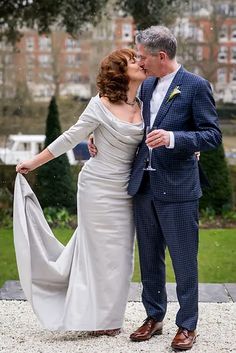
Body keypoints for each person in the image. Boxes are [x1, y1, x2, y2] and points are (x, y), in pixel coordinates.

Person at [89, 26, 222, 350]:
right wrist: (97, 139)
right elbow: (125, 121)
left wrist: (175, 138)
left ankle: (187, 325)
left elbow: (212, 135)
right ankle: (154, 316)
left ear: (161, 56)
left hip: (178, 190)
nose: (140, 62)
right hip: (143, 185)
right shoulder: (145, 86)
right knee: (149, 259)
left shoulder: (195, 86)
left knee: (183, 260)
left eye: (143, 57)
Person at [14, 48, 146, 335]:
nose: (140, 62)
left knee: (121, 256)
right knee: (97, 255)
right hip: (97, 188)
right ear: (121, 72)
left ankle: (111, 317)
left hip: (126, 190)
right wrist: (32, 163)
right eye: (133, 60)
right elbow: (69, 137)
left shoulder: (145, 102)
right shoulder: (99, 105)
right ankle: (94, 319)